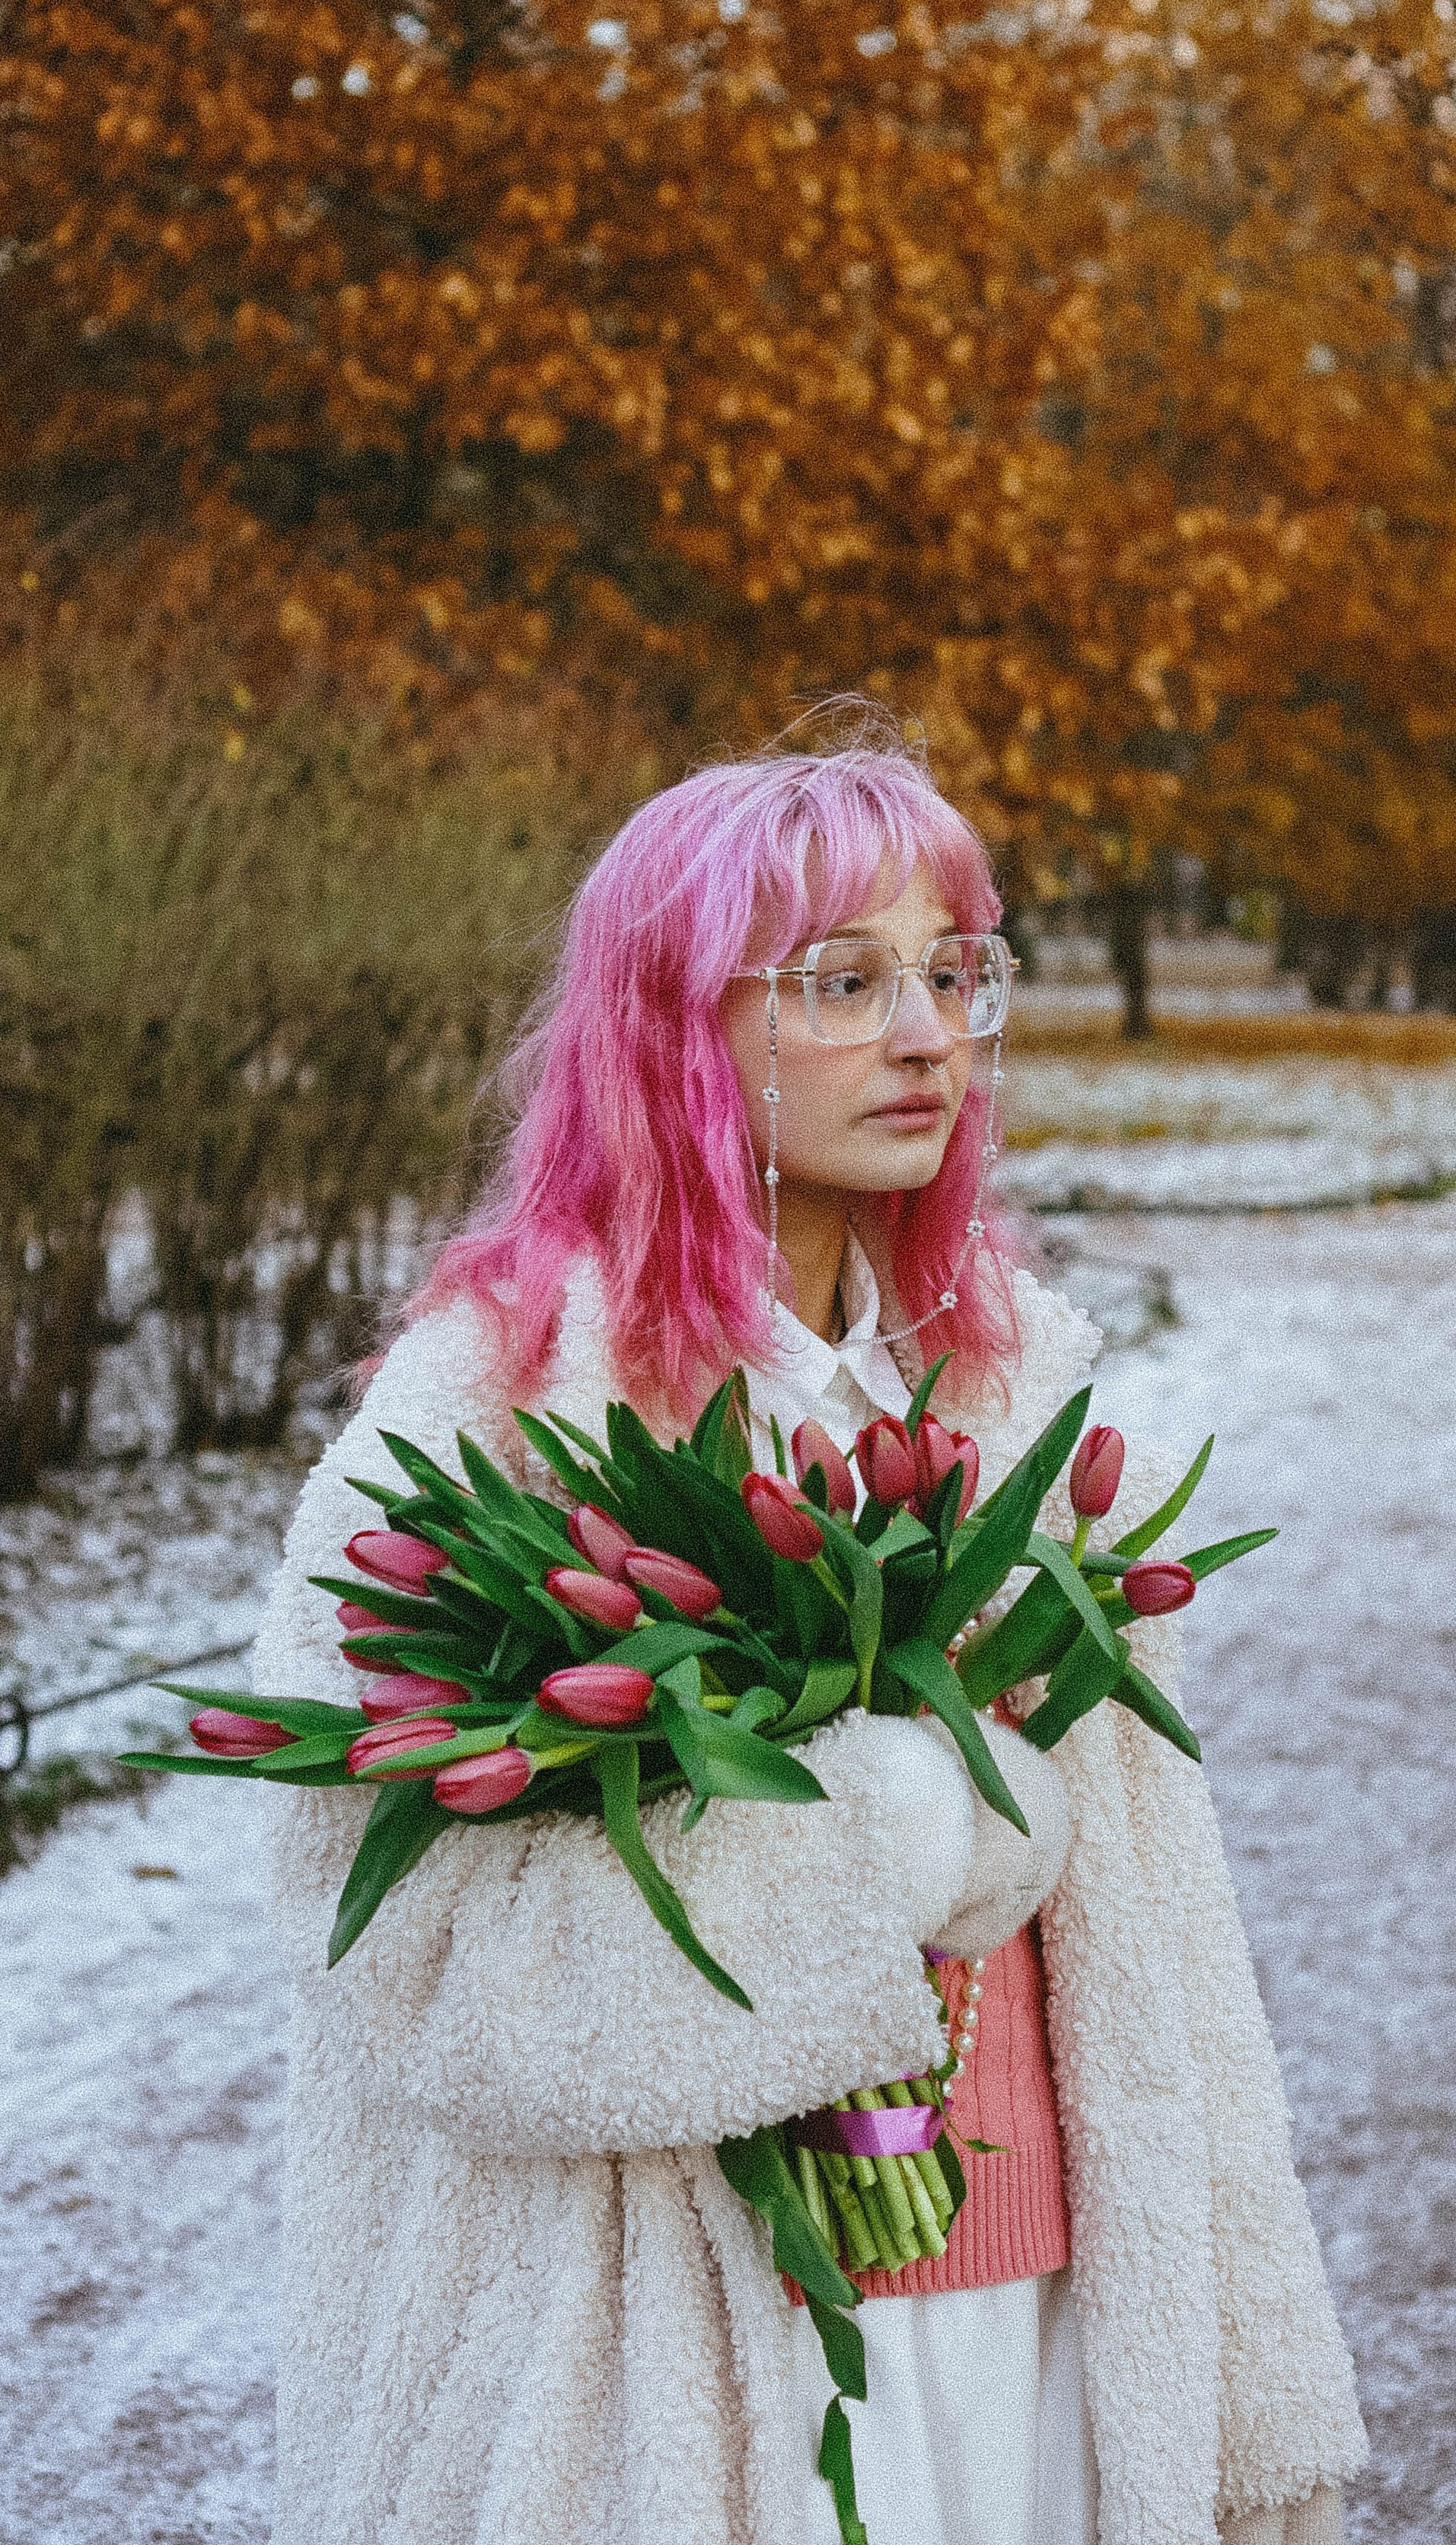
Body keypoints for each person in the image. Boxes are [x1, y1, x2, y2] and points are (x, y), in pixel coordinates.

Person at [253, 726, 1365, 2545]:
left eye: (948, 971)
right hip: (672, 2372)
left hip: (1046, 2310)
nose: (925, 1030)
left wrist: (1244, 2403)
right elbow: (406, 1964)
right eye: (844, 981)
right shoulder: (495, 1413)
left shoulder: (1009, 1386)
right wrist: (896, 1829)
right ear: (672, 1024)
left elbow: (1167, 1972)